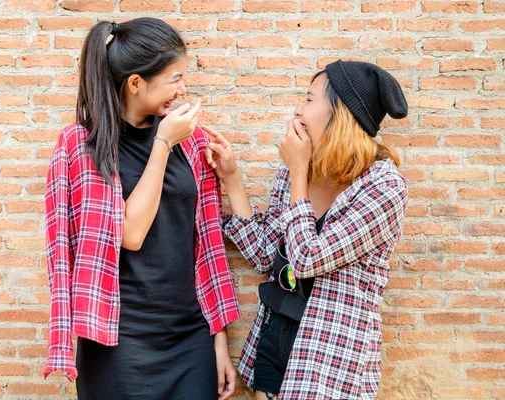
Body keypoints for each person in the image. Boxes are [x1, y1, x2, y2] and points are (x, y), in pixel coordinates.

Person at [43, 18, 240, 400]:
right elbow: (130, 234)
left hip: (189, 338)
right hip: (117, 342)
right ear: (136, 83)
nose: (183, 90)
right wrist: (162, 144)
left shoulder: (190, 140)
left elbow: (207, 246)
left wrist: (218, 342)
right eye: (175, 78)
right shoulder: (82, 145)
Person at [204, 60, 409, 399]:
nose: (298, 110)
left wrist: (298, 172)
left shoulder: (384, 188)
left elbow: (307, 259)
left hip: (330, 352)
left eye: (310, 99)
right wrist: (232, 178)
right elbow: (268, 254)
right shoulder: (301, 168)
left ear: (340, 112)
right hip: (276, 336)